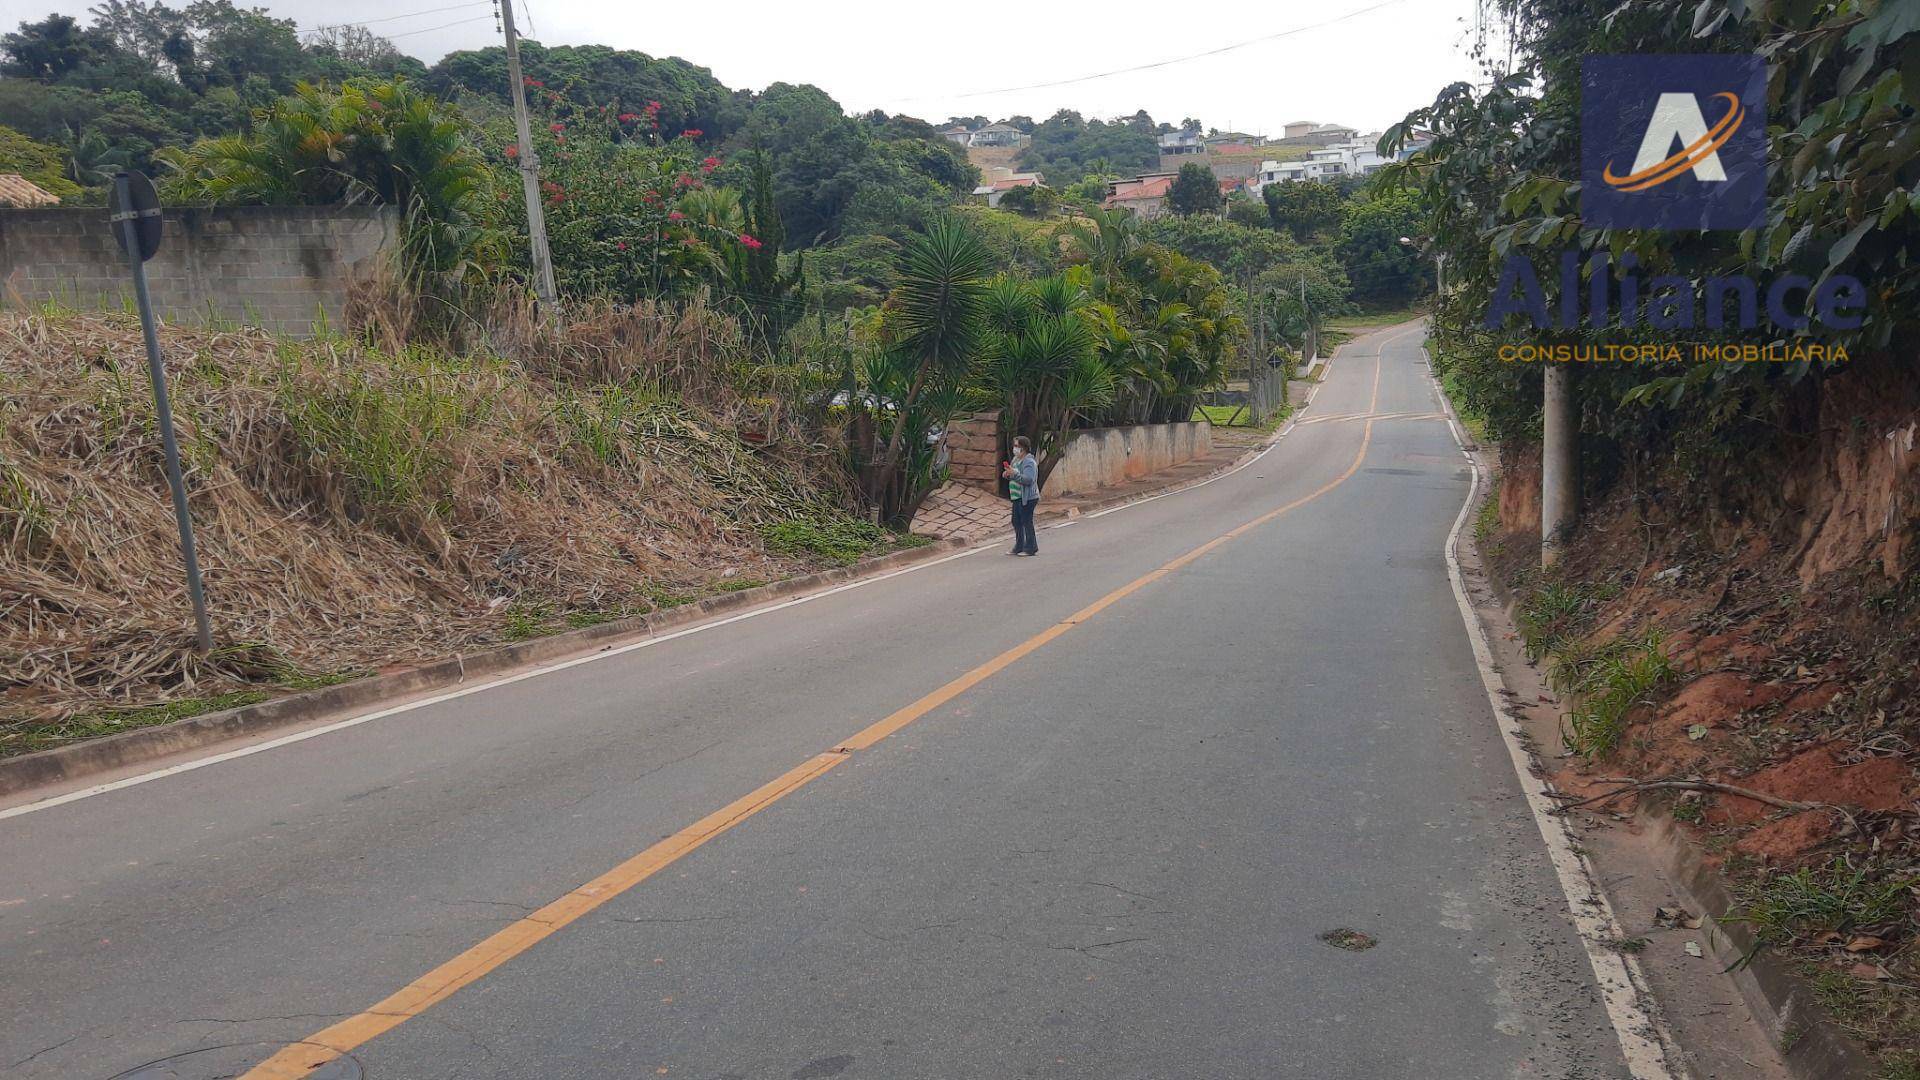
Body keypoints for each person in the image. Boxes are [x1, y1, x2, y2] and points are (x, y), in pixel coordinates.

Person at [1003, 436, 1040, 556]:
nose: (1015, 448)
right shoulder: (1015, 460)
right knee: (1016, 521)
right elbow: (1014, 474)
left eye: (1017, 446)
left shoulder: (1029, 462)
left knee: (1026, 521)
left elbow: (1029, 479)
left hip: (1027, 497)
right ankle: (1019, 546)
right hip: (1016, 497)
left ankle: (1031, 547)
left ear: (1023, 448)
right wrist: (1008, 474)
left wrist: (1014, 474)